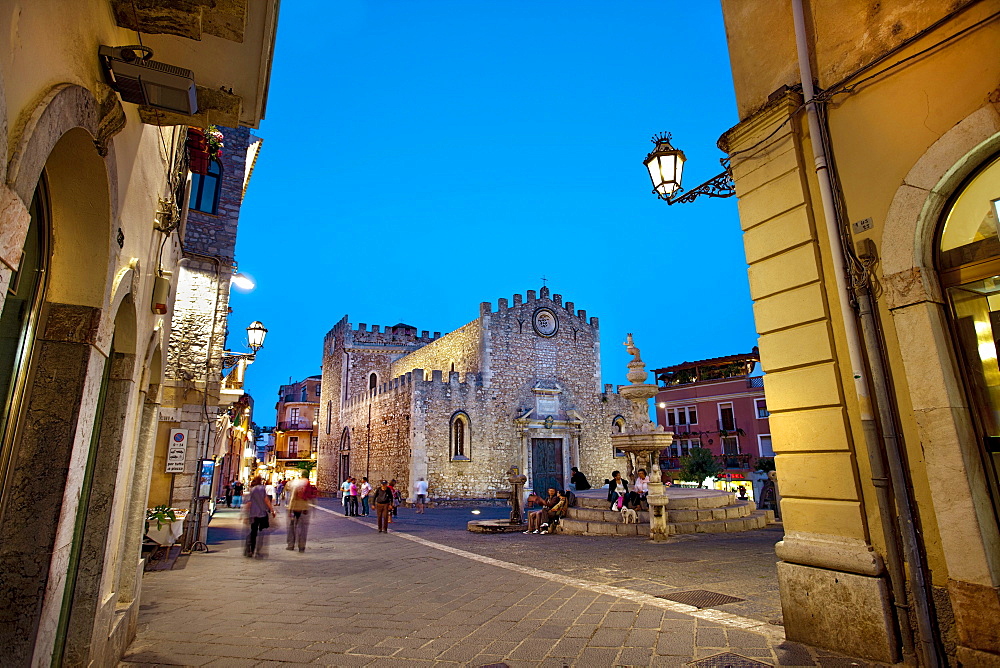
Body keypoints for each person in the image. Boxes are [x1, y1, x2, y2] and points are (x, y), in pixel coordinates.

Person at [244, 476, 275, 558]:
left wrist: (246, 514)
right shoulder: (261, 489)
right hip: (262, 514)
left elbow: (249, 502)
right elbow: (266, 500)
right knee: (261, 532)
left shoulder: (252, 489)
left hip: (253, 514)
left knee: (253, 532)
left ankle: (250, 549)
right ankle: (259, 550)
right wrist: (272, 510)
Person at [286, 474, 314, 551]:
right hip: (304, 509)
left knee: (292, 528)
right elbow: (311, 497)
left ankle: (291, 545)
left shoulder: (296, 486)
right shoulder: (307, 486)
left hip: (295, 508)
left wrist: (290, 509)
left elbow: (292, 499)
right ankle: (301, 546)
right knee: (303, 529)